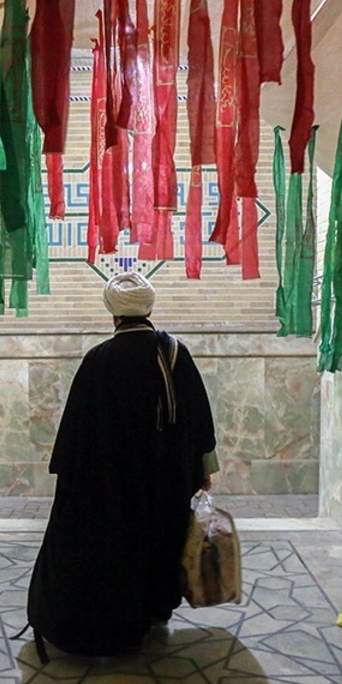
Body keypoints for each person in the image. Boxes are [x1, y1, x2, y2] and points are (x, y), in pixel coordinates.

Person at [24, 271, 219, 659]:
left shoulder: (99, 360)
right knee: (160, 543)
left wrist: (70, 483)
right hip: (166, 482)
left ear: (113, 315)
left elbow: (75, 434)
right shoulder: (175, 353)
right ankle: (152, 613)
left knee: (116, 550)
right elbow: (200, 417)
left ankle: (118, 624)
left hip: (110, 488)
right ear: (149, 309)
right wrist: (204, 469)